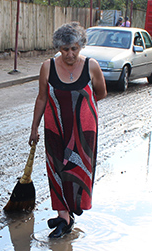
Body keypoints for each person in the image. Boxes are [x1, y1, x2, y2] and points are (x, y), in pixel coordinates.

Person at [29, 22, 107, 238]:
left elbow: (100, 93)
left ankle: (73, 208)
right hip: (55, 127)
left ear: (80, 46)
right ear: (58, 48)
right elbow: (42, 97)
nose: (70, 54)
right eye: (65, 49)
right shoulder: (48, 67)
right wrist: (34, 127)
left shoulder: (91, 66)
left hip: (83, 131)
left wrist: (82, 109)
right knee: (56, 169)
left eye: (74, 48)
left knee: (78, 169)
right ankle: (63, 215)